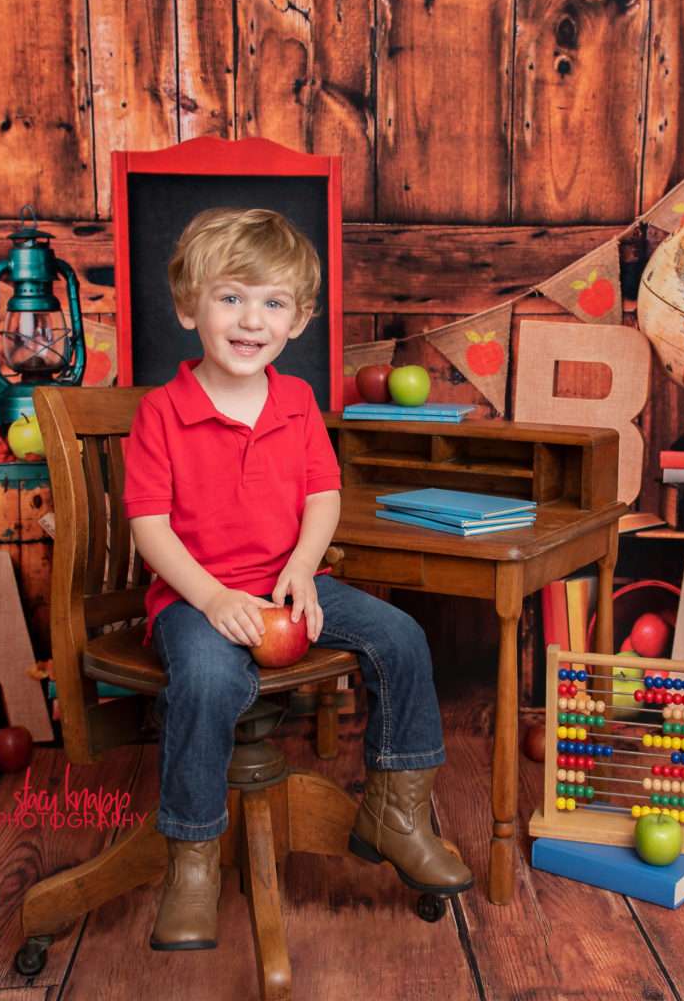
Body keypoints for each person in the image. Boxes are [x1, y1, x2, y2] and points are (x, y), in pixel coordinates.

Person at [122, 207, 473, 951]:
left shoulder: (296, 403)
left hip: (286, 583)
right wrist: (212, 597)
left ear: (299, 320)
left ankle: (396, 813)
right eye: (230, 297)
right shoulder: (161, 413)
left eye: (273, 302)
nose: (251, 319)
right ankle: (192, 861)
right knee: (210, 682)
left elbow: (324, 495)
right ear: (189, 307)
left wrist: (303, 571)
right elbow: (149, 527)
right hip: (196, 597)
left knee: (400, 637)